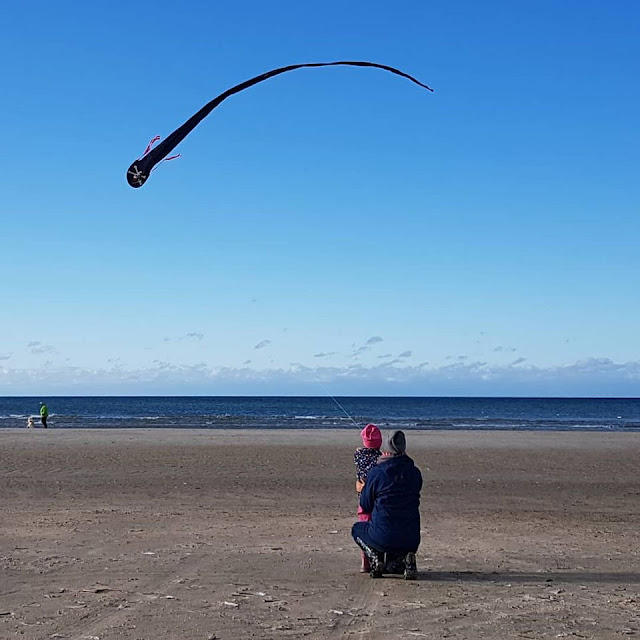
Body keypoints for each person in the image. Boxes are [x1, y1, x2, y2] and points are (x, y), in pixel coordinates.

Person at [351, 430, 422, 579]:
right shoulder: (414, 473)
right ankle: (404, 559)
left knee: (357, 529)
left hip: (384, 535)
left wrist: (363, 489)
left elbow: (365, 504)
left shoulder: (377, 473)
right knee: (392, 565)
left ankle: (375, 557)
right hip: (411, 537)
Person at [354, 423, 383, 572]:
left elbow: (359, 451)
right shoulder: (381, 459)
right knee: (375, 527)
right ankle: (373, 559)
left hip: (364, 502)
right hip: (376, 502)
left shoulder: (359, 456)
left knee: (366, 529)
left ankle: (366, 562)